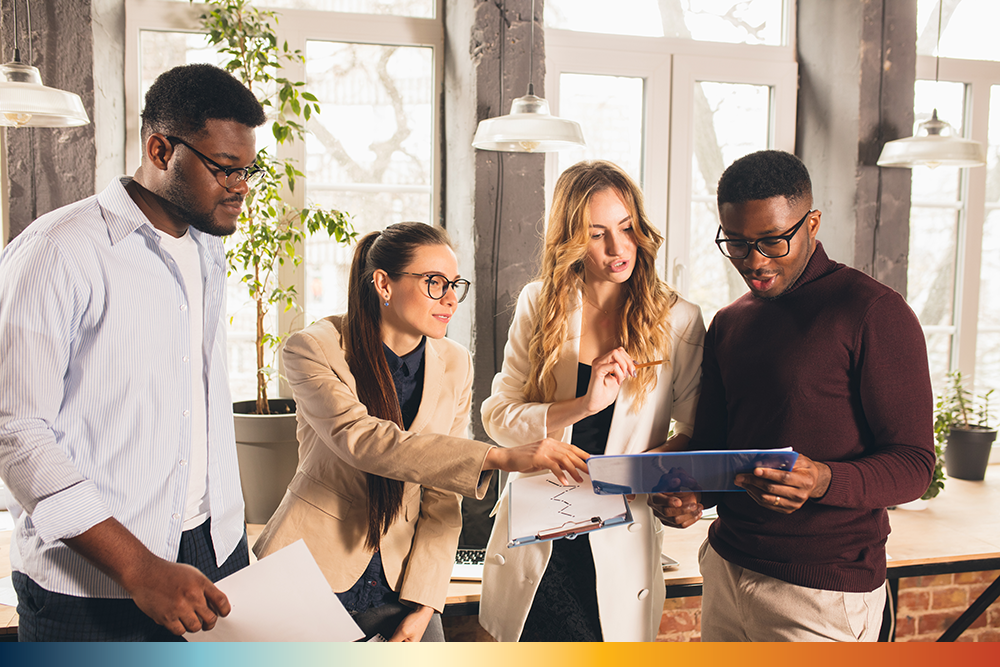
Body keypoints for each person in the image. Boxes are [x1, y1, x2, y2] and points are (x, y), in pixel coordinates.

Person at [0, 64, 267, 641]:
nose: (241, 185)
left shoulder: (205, 247)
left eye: (248, 170)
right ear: (160, 149)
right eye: (225, 169)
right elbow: (16, 432)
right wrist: (139, 566)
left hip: (214, 548)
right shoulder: (56, 252)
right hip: (93, 580)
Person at [252, 222, 589, 642]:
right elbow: (363, 440)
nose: (450, 299)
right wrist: (496, 456)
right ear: (384, 284)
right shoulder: (314, 347)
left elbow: (441, 496)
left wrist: (426, 604)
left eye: (454, 284)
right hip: (312, 568)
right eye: (434, 282)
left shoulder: (455, 363)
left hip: (404, 583)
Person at [650, 149, 935, 642]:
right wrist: (692, 496)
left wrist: (823, 479)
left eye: (773, 241)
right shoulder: (729, 322)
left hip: (822, 591)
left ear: (812, 223)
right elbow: (721, 450)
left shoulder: (873, 312)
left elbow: (915, 466)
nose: (754, 262)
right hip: (725, 568)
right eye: (736, 244)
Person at [478, 160, 706, 642]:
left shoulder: (679, 319)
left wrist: (642, 472)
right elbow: (497, 416)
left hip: (618, 535)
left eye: (626, 228)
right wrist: (582, 405)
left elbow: (692, 431)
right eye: (596, 233)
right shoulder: (539, 303)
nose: (618, 248)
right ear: (570, 240)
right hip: (540, 540)